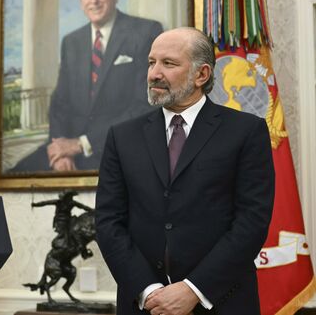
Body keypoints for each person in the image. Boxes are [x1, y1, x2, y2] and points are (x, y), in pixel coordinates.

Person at [95, 27, 274, 315]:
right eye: (152, 62)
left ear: (201, 75)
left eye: (169, 63)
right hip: (145, 306)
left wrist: (193, 290)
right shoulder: (122, 137)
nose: (154, 73)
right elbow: (108, 222)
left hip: (222, 302)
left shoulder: (246, 132)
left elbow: (251, 222)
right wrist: (150, 292)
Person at [11, 0, 162, 172]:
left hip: (117, 148)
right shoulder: (71, 42)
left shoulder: (146, 32)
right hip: (69, 147)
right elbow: (60, 104)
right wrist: (60, 151)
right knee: (17, 173)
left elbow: (145, 105)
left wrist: (83, 143)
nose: (94, 1)